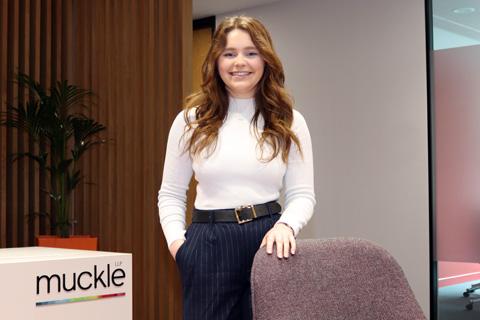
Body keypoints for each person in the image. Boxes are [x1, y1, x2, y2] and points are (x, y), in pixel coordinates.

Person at [157, 16, 315, 320]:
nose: (239, 62)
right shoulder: (190, 121)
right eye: (229, 53)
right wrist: (180, 248)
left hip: (270, 242)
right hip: (208, 242)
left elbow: (302, 193)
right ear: (216, 61)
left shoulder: (289, 121)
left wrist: (286, 225)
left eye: (250, 53)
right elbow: (171, 194)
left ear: (266, 59)